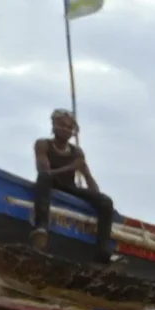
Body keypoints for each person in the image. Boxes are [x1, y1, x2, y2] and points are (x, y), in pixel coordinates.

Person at [31, 109, 115, 263]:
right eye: (62, 125)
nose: (65, 129)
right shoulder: (43, 144)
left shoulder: (77, 152)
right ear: (54, 125)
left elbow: (93, 188)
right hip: (51, 183)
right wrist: (71, 167)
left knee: (106, 202)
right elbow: (44, 171)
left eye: (70, 127)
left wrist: (84, 170)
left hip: (69, 187)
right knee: (44, 177)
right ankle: (41, 227)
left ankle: (103, 250)